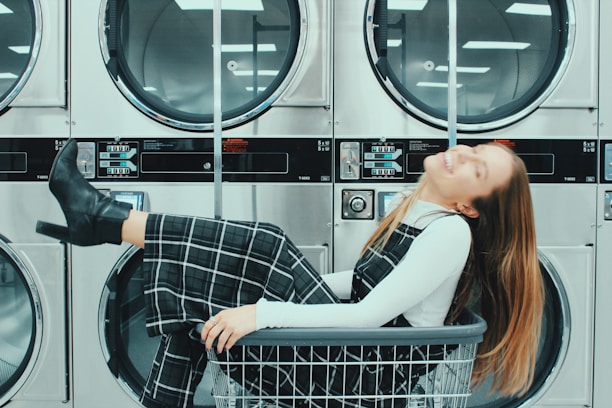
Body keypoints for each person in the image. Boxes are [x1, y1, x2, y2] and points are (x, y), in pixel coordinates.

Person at [36, 138, 543, 407]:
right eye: (475, 150)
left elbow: (368, 316)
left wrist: (262, 311)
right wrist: (272, 297)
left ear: (470, 207)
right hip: (346, 361)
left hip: (359, 377)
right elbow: (359, 285)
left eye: (477, 169)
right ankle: (100, 218)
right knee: (207, 296)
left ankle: (103, 219)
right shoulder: (419, 216)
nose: (463, 154)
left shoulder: (451, 234)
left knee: (267, 245)